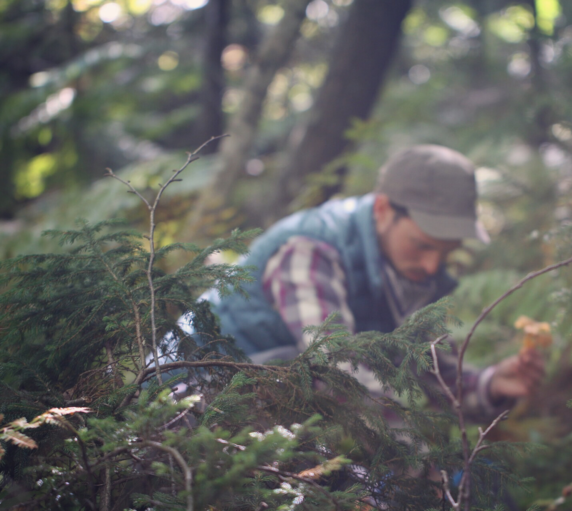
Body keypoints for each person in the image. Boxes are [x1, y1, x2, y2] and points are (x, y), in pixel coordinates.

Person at [209, 144, 544, 421]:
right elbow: (339, 378)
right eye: (422, 244)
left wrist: (492, 384)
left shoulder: (410, 274)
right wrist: (421, 464)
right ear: (383, 208)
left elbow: (435, 381)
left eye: (447, 252)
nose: (432, 266)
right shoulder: (309, 251)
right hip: (193, 400)